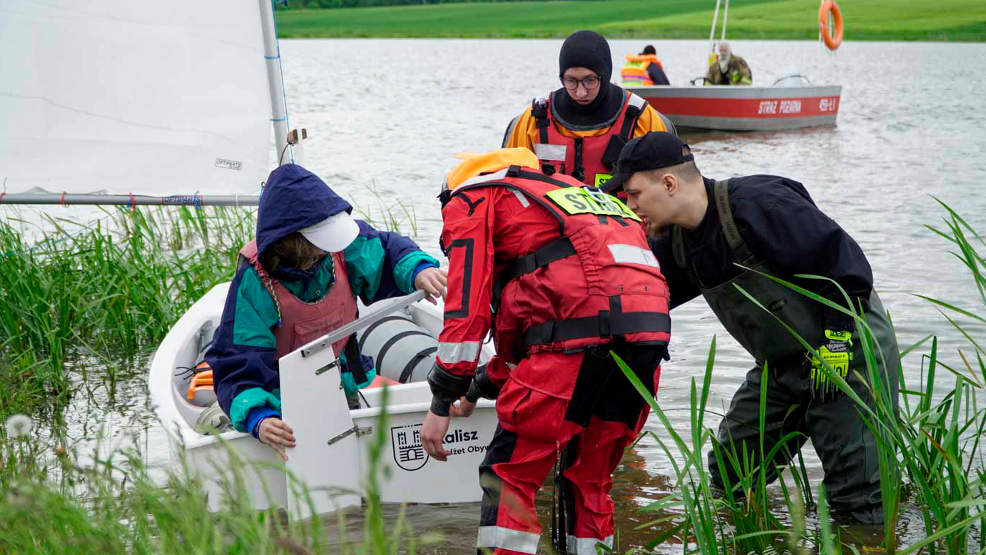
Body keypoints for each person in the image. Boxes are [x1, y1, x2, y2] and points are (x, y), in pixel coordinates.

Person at [602, 132, 899, 524]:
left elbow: (847, 266)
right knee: (730, 472)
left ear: (669, 184)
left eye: (634, 194)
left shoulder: (759, 204)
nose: (630, 206)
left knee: (860, 502)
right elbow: (646, 298)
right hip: (781, 366)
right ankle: (759, 540)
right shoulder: (676, 245)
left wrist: (838, 340)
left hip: (849, 350)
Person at [420, 148, 672, 553]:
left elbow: (465, 310)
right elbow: (535, 344)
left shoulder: (474, 197)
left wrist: (441, 400)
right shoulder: (584, 200)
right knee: (589, 481)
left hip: (574, 349)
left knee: (508, 479)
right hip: (645, 348)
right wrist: (474, 390)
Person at [205, 164, 446, 461]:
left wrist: (417, 270)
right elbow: (238, 363)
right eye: (319, 243)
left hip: (337, 382)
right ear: (291, 241)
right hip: (278, 398)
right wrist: (260, 419)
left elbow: (386, 251)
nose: (327, 250)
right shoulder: (255, 284)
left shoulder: (343, 249)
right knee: (224, 420)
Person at [502, 30, 675, 190]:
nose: (580, 92)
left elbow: (667, 190)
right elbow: (507, 186)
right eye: (571, 81)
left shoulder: (642, 119)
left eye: (590, 80)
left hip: (621, 221)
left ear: (605, 75)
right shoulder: (533, 120)